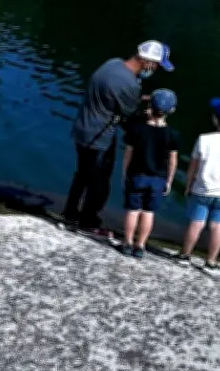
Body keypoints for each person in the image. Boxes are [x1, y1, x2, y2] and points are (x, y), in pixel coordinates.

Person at [63, 40, 175, 237]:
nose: (155, 69)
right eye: (156, 65)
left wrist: (137, 99)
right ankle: (88, 222)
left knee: (81, 175)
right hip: (99, 137)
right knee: (99, 182)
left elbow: (111, 96)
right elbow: (128, 117)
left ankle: (70, 213)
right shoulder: (129, 84)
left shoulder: (112, 64)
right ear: (147, 62)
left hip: (82, 127)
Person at [120, 89, 179, 258]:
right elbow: (173, 161)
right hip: (158, 179)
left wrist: (125, 173)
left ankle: (127, 243)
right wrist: (169, 181)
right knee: (148, 212)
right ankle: (140, 246)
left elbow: (128, 154)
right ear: (172, 110)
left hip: (137, 176)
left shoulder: (137, 129)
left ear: (149, 106)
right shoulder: (173, 135)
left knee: (132, 210)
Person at [174, 98, 220, 273]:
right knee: (218, 226)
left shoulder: (204, 140)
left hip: (201, 189)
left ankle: (184, 255)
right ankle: (211, 262)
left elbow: (192, 167)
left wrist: (188, 185)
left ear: (215, 120)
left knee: (196, 223)